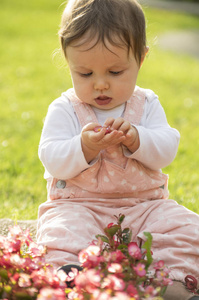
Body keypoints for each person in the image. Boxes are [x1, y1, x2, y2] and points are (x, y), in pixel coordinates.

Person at [37, 0, 199, 299]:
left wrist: (138, 139)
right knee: (62, 232)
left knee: (186, 228)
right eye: (85, 74)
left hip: (145, 206)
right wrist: (82, 147)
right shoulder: (65, 108)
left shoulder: (146, 104)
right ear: (67, 60)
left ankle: (174, 283)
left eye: (115, 72)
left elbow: (166, 149)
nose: (100, 84)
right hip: (79, 206)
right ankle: (73, 278)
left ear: (141, 58)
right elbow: (51, 156)